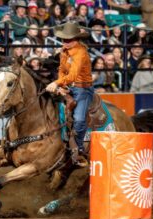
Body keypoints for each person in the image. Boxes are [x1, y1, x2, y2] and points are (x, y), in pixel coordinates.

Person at [45, 22, 93, 165]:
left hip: (83, 89)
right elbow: (61, 69)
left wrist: (57, 83)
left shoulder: (81, 53)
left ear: (76, 39)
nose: (65, 42)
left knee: (78, 119)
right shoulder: (64, 51)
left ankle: (77, 149)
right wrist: (62, 84)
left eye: (68, 40)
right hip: (70, 87)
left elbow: (72, 75)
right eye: (63, 40)